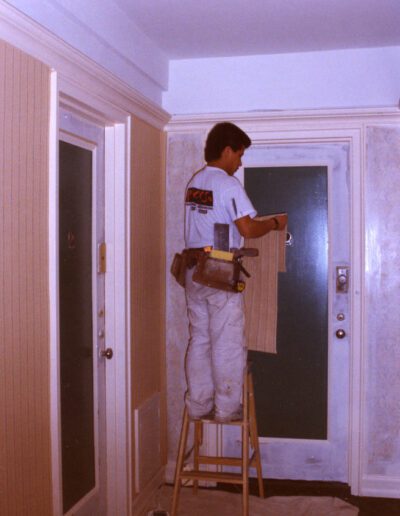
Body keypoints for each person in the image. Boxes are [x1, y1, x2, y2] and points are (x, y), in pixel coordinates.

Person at [184, 122, 287, 422]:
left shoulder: (195, 183)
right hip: (217, 272)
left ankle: (199, 405)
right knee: (226, 340)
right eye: (239, 155)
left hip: (193, 272)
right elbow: (248, 229)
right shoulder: (228, 185)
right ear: (227, 150)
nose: (240, 162)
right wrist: (274, 224)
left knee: (200, 338)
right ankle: (227, 408)